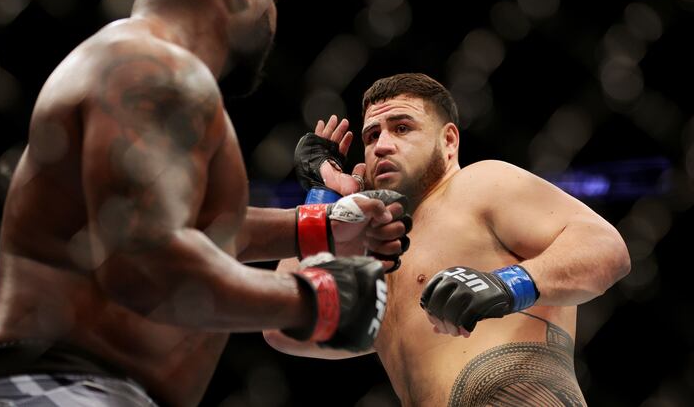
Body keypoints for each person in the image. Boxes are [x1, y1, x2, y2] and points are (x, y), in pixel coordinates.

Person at [0, 0, 411, 407]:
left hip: (84, 387)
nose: (274, 21)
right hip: (62, 387)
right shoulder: (155, 70)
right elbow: (142, 259)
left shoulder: (136, 67)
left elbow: (194, 229)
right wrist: (314, 300)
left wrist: (320, 226)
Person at [265, 73, 631, 406]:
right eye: (371, 135)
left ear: (449, 140)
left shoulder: (480, 184)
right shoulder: (372, 253)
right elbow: (283, 327)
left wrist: (508, 283)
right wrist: (322, 199)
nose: (382, 145)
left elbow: (606, 246)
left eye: (402, 128)